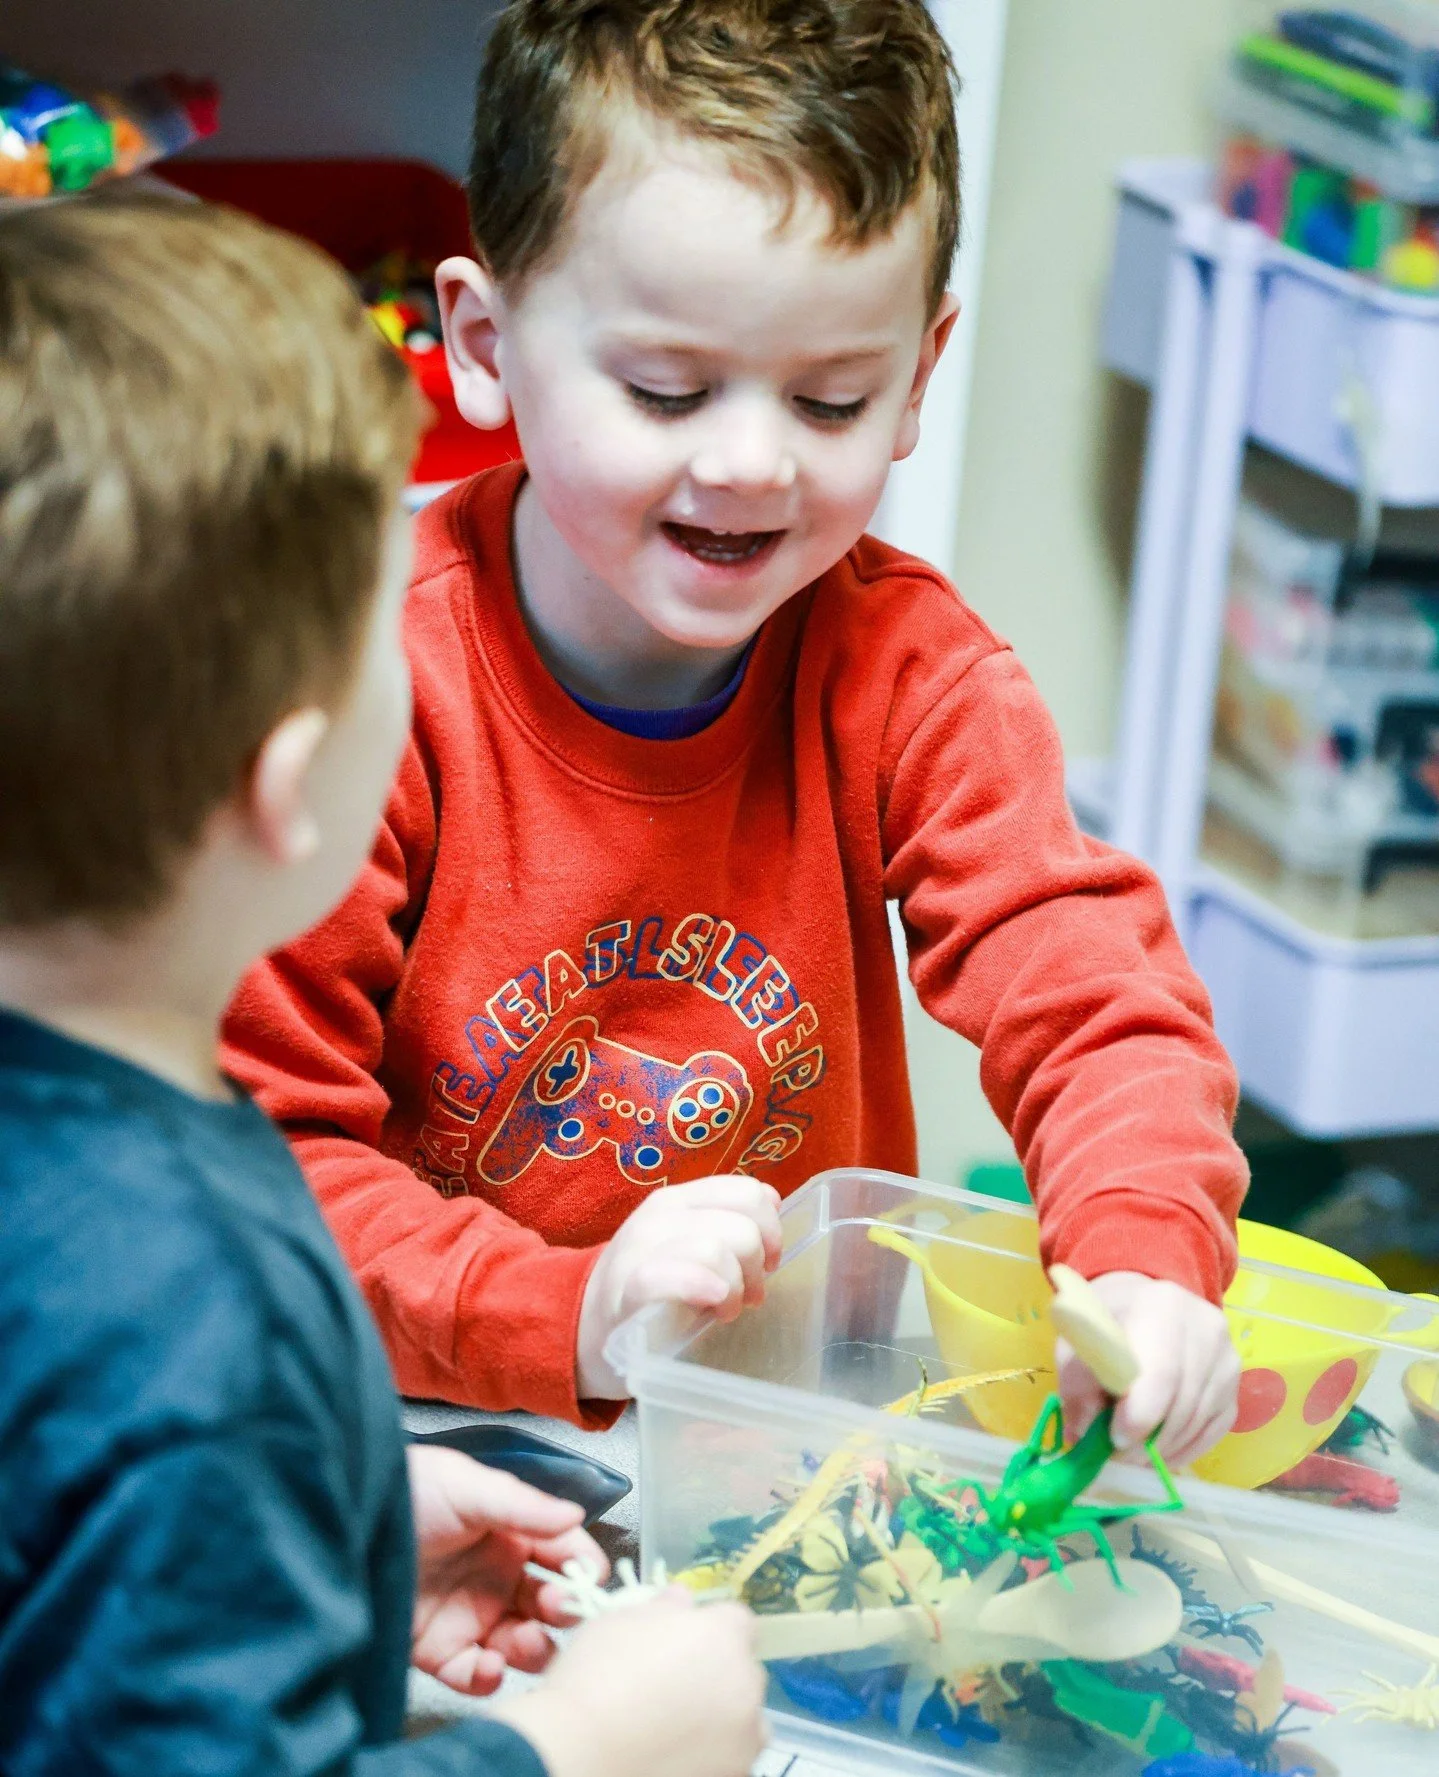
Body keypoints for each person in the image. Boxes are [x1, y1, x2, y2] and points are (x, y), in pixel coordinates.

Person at [224, 0, 1247, 1462]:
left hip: (788, 1438)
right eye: (666, 390)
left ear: (915, 379)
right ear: (481, 343)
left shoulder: (911, 674)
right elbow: (259, 1155)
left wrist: (1142, 1255)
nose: (752, 463)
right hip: (414, 1429)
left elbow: (1091, 997)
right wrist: (573, 1312)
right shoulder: (359, 684)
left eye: (833, 399)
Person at [0, 191, 764, 1777]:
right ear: (286, 787)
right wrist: (573, 1751)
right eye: (378, 636)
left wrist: (317, 1519)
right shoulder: (185, 1300)